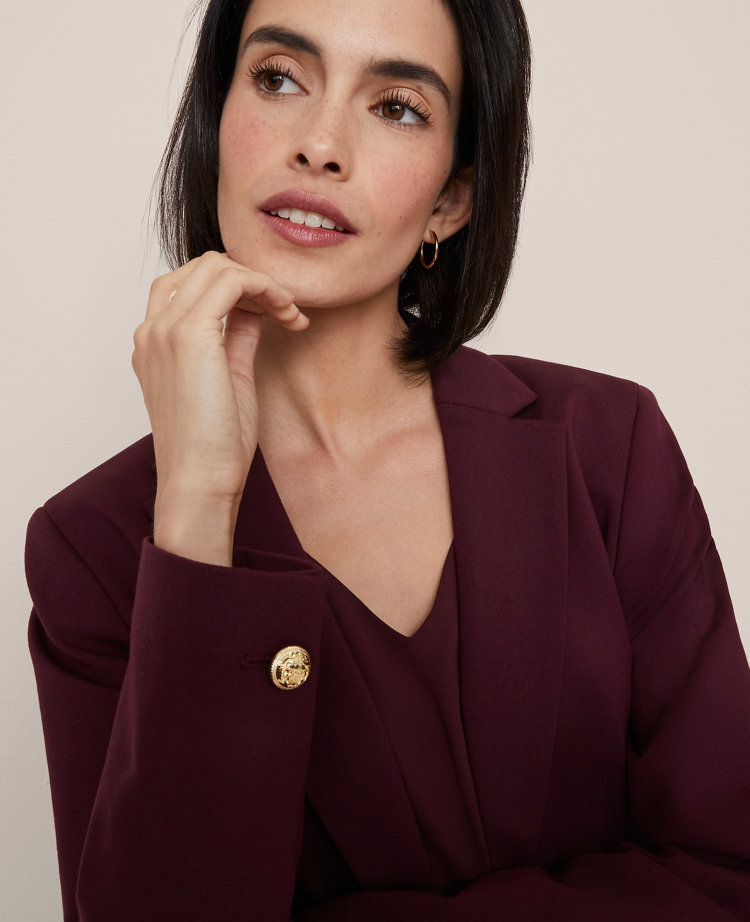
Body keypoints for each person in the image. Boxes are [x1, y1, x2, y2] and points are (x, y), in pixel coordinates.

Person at [25, 0, 750, 919]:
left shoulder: (608, 448)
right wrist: (198, 502)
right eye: (279, 78)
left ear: (452, 197)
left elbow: (726, 870)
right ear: (217, 124)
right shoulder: (92, 548)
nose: (320, 145)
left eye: (398, 106)